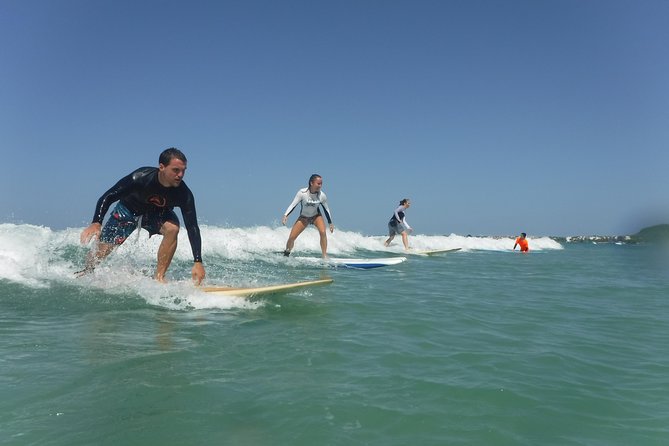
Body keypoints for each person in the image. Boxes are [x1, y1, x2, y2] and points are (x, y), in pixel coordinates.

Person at [79, 148, 206, 284]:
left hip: (155, 214)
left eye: (183, 170)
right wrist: (96, 222)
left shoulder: (183, 194)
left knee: (172, 228)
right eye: (176, 170)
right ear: (162, 167)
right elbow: (108, 196)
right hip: (128, 211)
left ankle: (159, 277)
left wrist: (197, 261)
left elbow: (192, 226)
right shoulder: (140, 178)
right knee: (102, 250)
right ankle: (86, 272)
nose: (180, 175)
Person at [281, 174, 334, 258]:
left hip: (316, 216)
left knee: (323, 232)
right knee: (291, 238)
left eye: (321, 184)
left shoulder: (322, 195)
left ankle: (324, 255)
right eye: (318, 183)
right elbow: (293, 205)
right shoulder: (302, 193)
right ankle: (287, 253)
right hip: (304, 218)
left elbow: (326, 209)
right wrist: (285, 215)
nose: (320, 186)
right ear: (311, 183)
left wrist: (330, 222)